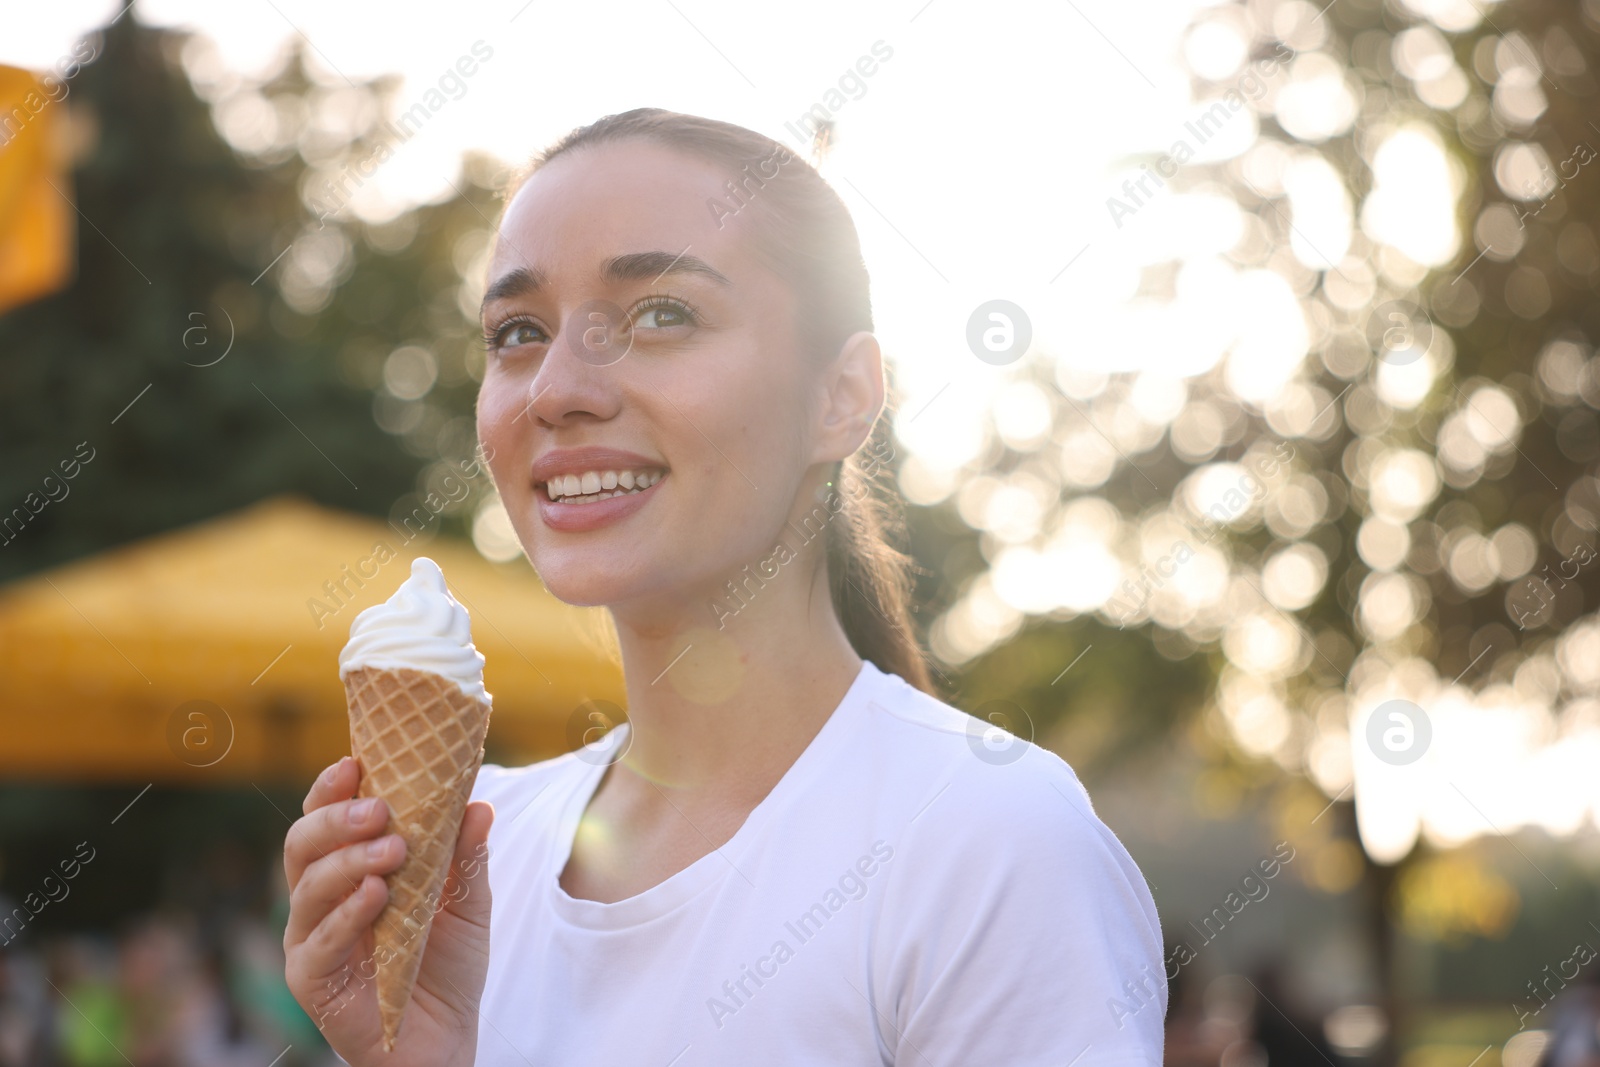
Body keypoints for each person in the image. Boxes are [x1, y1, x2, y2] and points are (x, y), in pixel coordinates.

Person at [282, 108, 1165, 1066]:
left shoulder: (990, 843)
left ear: (844, 398)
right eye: (519, 330)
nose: (557, 387)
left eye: (663, 315)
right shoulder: (475, 858)